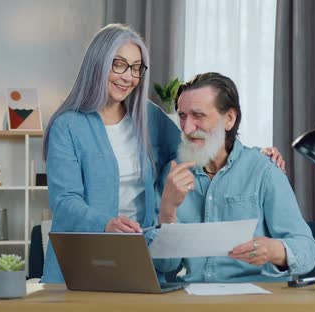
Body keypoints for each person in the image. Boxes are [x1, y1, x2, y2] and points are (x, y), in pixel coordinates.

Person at [41, 24, 286, 283]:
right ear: (98, 63)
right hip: (85, 256)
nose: (129, 77)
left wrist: (254, 155)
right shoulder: (67, 126)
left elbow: (195, 146)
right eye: (119, 64)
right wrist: (106, 224)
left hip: (140, 255)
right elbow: (65, 202)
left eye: (136, 68)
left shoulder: (148, 116)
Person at [152, 72, 315, 282]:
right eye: (182, 116)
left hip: (255, 300)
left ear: (229, 119)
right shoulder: (172, 174)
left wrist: (274, 250)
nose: (186, 128)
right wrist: (168, 210)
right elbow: (164, 265)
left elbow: (308, 251)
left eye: (198, 115)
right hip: (193, 300)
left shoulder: (264, 170)